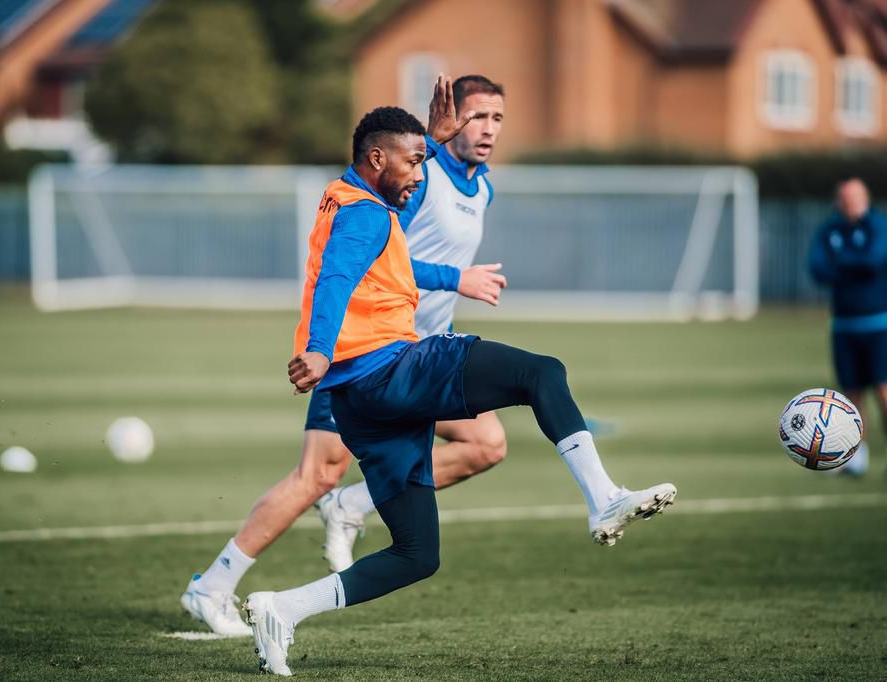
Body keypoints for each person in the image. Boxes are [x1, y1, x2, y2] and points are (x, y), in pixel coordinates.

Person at [242, 77, 676, 676]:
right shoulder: (365, 217)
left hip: (359, 401)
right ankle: (603, 500)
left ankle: (281, 610)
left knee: (417, 555)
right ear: (376, 159)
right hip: (390, 369)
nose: (421, 174)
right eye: (413, 162)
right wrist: (317, 350)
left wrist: (434, 142)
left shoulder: (345, 195)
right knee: (541, 373)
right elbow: (336, 278)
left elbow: (375, 246)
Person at [181, 75, 509, 638]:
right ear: (451, 122)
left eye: (496, 118)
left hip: (419, 354)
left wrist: (428, 142)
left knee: (486, 443)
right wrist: (458, 278)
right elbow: (378, 251)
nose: (485, 129)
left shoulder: (477, 187)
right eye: (476, 116)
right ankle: (213, 585)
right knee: (316, 475)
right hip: (367, 354)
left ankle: (351, 506)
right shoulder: (415, 183)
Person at [809, 176, 887, 476]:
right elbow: (817, 268)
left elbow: (873, 261)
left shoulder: (877, 226)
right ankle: (856, 456)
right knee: (851, 394)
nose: (848, 204)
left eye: (854, 198)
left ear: (865, 199)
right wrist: (850, 264)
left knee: (883, 389)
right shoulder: (830, 228)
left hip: (879, 323)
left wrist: (840, 262)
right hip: (843, 324)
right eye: (844, 198)